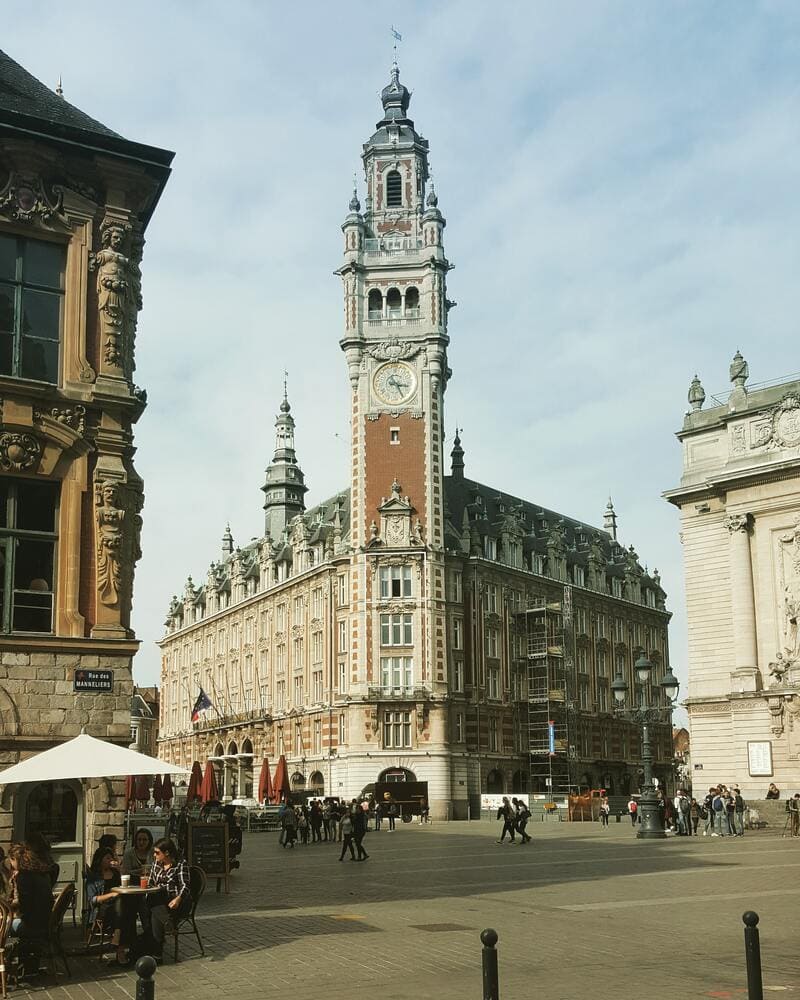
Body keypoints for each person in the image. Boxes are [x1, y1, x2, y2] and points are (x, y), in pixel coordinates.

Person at [7, 843, 56, 976]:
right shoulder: (41, 872)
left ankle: (5, 965)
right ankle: (23, 965)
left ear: (15, 859)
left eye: (11, 861)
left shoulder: (24, 876)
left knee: (2, 927)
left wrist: (9, 905)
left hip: (31, 923)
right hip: (45, 920)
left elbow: (25, 904)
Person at [146, 838, 191, 962]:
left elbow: (186, 885)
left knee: (154, 911)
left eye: (157, 852)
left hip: (176, 902)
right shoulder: (156, 863)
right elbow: (150, 881)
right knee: (154, 901)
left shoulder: (181, 864)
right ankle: (167, 924)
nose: (154, 855)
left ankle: (157, 954)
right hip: (160, 901)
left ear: (166, 853)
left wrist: (178, 899)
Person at [86, 846, 131, 964]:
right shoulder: (94, 877)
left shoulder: (115, 873)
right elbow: (93, 900)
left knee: (124, 908)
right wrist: (111, 895)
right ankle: (122, 951)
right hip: (103, 909)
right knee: (126, 914)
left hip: (118, 909)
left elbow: (125, 886)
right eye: (107, 858)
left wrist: (120, 870)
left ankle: (117, 938)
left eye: (112, 858)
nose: (110, 861)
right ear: (100, 860)